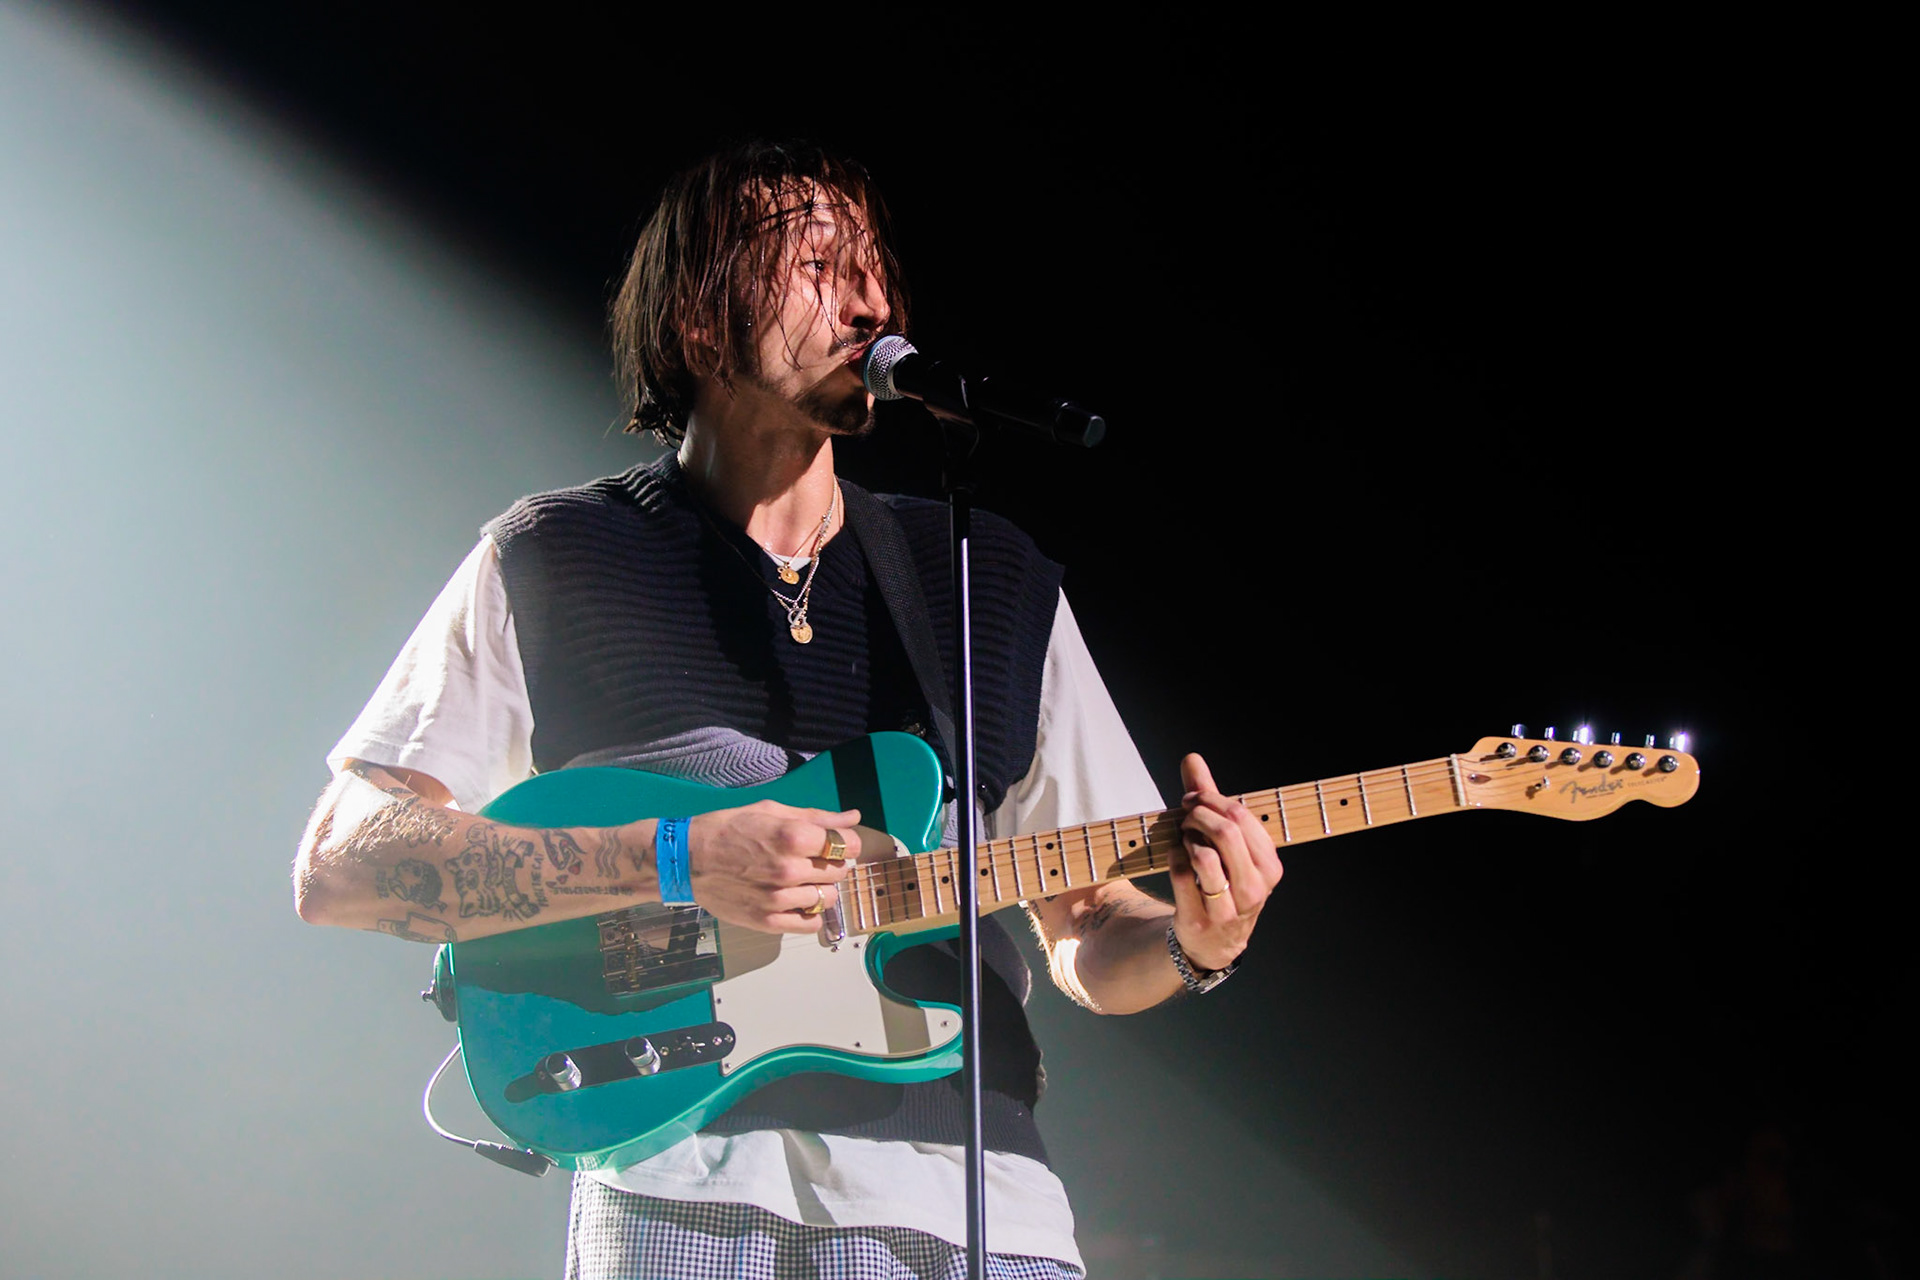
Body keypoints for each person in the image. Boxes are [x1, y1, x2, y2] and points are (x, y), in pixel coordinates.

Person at [294, 139, 1282, 1280]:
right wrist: (679, 852)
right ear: (699, 322)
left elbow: (1089, 936)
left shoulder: (987, 580)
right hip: (680, 1190)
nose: (869, 300)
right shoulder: (558, 556)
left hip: (980, 1213)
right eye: (817, 265)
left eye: (874, 268)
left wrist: (1197, 944)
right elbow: (343, 865)